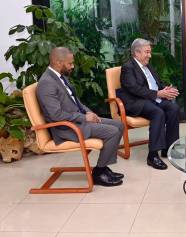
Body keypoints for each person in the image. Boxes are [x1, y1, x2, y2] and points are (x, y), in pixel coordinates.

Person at [37, 47, 124, 187]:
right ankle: (99, 173)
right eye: (70, 63)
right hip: (66, 128)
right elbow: (56, 115)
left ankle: (103, 167)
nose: (73, 66)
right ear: (58, 62)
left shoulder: (60, 76)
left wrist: (89, 113)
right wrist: (84, 118)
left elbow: (76, 101)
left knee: (119, 125)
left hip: (78, 120)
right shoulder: (47, 83)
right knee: (112, 132)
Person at [117, 38, 180, 170]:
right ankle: (152, 156)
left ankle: (168, 148)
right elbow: (134, 89)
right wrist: (158, 94)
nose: (150, 56)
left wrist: (165, 89)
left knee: (173, 108)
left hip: (152, 99)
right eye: (147, 52)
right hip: (136, 102)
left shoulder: (148, 65)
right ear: (137, 53)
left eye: (150, 52)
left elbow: (156, 83)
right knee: (158, 113)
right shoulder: (127, 68)